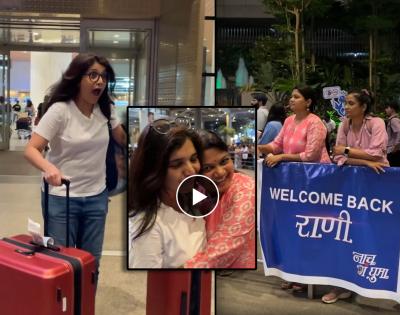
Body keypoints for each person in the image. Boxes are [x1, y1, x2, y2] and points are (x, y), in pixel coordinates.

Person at [24, 53, 126, 283]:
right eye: (93, 75)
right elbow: (31, 149)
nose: (100, 81)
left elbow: (121, 138)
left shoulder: (106, 110)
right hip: (62, 197)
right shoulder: (61, 110)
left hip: (97, 197)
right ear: (77, 78)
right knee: (62, 264)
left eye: (103, 76)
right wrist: (49, 167)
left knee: (91, 265)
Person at [324, 89, 389, 303]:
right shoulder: (344, 124)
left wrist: (350, 152)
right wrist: (366, 161)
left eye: (351, 103)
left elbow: (377, 153)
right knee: (345, 233)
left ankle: (368, 281)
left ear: (363, 107)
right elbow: (337, 155)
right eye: (345, 103)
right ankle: (341, 284)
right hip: (350, 187)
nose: (346, 106)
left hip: (376, 188)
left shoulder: (376, 123)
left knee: (370, 235)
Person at [128, 122, 206, 268]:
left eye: (194, 159)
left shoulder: (193, 199)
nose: (190, 170)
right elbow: (149, 283)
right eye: (176, 164)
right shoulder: (148, 225)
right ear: (154, 169)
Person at [184, 130, 255, 268]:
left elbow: (223, 250)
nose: (220, 172)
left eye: (224, 161)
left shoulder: (245, 190)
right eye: (208, 168)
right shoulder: (200, 189)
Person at [258, 85, 331, 167]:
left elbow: (310, 155)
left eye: (296, 97)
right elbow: (277, 145)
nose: (292, 100)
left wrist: (282, 157)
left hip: (314, 172)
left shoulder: (315, 122)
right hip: (294, 171)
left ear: (308, 102)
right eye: (291, 97)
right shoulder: (288, 121)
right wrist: (259, 148)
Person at [385, 100, 400, 166]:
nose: (386, 110)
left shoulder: (394, 120)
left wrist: (396, 146)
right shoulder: (394, 119)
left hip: (393, 151)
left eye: (387, 108)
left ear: (392, 109)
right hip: (393, 150)